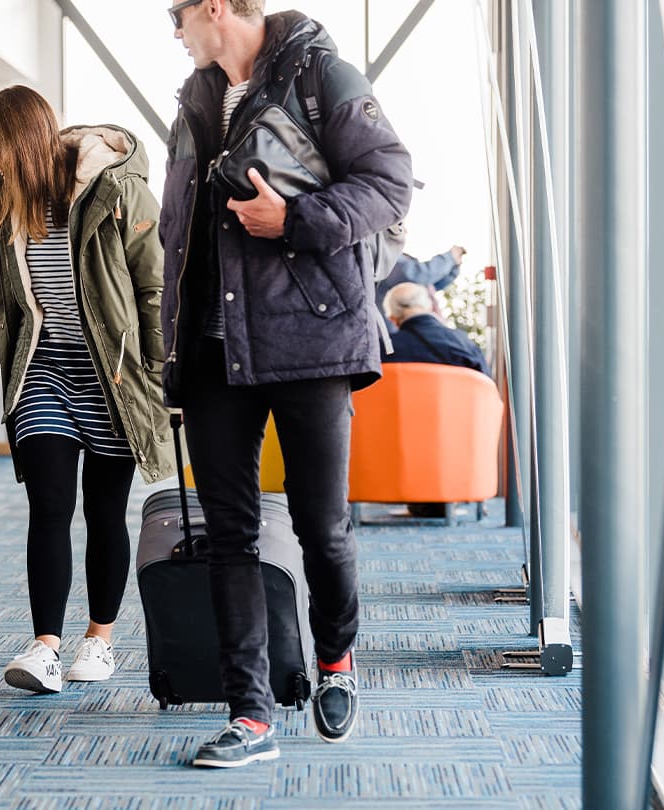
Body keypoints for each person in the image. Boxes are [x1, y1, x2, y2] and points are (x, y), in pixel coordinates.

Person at [161, 1, 413, 767]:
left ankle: (336, 658)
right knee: (228, 537)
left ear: (212, 8)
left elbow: (390, 183)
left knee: (321, 528)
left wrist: (298, 218)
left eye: (176, 17)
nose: (176, 34)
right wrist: (169, 349)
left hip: (309, 341)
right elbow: (180, 236)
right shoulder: (196, 101)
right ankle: (252, 714)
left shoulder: (321, 74)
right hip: (211, 354)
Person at [0, 85, 172, 695]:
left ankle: (99, 641)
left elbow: (153, 289)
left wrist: (164, 374)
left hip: (115, 376)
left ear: (21, 142)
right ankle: (45, 644)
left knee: (105, 511)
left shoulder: (115, 189)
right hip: (42, 371)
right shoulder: (3, 201)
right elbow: (8, 309)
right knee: (48, 507)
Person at [382, 282, 488, 375]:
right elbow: (487, 389)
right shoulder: (465, 344)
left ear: (392, 319)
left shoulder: (381, 350)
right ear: (430, 306)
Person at [375, 245, 467, 331]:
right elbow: (420, 274)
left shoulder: (415, 281)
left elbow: (435, 284)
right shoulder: (389, 259)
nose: (406, 231)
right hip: (392, 335)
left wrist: (454, 266)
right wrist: (450, 257)